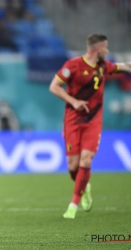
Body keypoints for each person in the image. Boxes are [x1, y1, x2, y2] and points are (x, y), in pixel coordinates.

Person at [49, 33, 131, 219]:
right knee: (73, 166)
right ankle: (84, 187)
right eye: (106, 48)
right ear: (99, 49)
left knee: (86, 160)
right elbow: (54, 86)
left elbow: (124, 67)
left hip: (93, 121)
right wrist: (73, 101)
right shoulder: (73, 65)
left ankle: (73, 205)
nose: (107, 51)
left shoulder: (104, 66)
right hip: (72, 120)